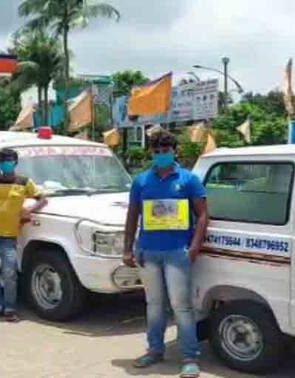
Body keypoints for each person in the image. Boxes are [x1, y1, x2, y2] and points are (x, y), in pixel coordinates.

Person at [123, 130, 209, 378]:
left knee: (181, 306)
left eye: (166, 151)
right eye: (157, 152)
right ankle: (155, 350)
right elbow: (132, 215)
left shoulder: (189, 179)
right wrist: (128, 247)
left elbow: (202, 215)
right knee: (154, 305)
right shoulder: (141, 181)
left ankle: (189, 357)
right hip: (148, 251)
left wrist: (194, 247)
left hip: (177, 253)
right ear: (152, 153)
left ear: (175, 152)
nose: (161, 155)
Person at [0, 149, 47, 322]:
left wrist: (29, 210)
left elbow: (42, 199)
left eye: (8, 160)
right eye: (2, 160)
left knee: (9, 273)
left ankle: (9, 308)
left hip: (8, 235)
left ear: (15, 162)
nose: (5, 163)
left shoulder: (24, 182)